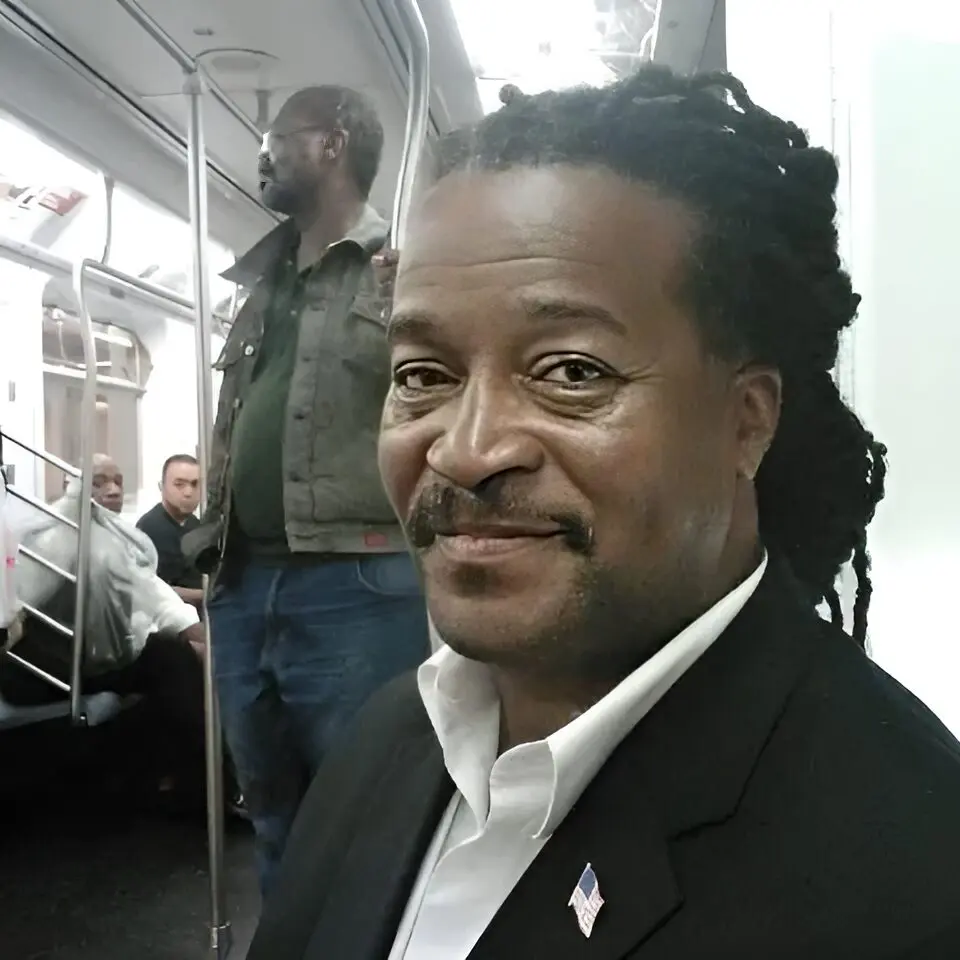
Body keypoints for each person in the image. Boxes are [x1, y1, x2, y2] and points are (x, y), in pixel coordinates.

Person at [247, 67, 960, 959]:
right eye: (421, 375)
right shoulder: (393, 733)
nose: (465, 450)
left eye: (572, 372)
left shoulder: (909, 879)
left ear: (748, 422)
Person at [182, 85, 429, 896]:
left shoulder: (406, 268)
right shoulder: (263, 284)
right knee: (272, 808)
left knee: (363, 810)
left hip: (354, 578)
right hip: (244, 578)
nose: (262, 153)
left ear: (333, 144)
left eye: (275, 137)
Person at [1, 454, 209, 805]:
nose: (112, 489)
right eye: (99, 481)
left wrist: (191, 629)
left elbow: (145, 590)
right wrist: (189, 628)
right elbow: (143, 588)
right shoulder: (60, 537)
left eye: (118, 480)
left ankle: (185, 775)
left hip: (79, 656)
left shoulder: (110, 537)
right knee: (172, 662)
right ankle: (201, 784)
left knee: (173, 660)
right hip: (40, 669)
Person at [137, 454, 203, 607]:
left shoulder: (197, 525)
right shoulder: (149, 528)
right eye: (179, 484)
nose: (188, 492)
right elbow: (152, 589)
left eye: (195, 484)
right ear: (162, 486)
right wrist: (206, 595)